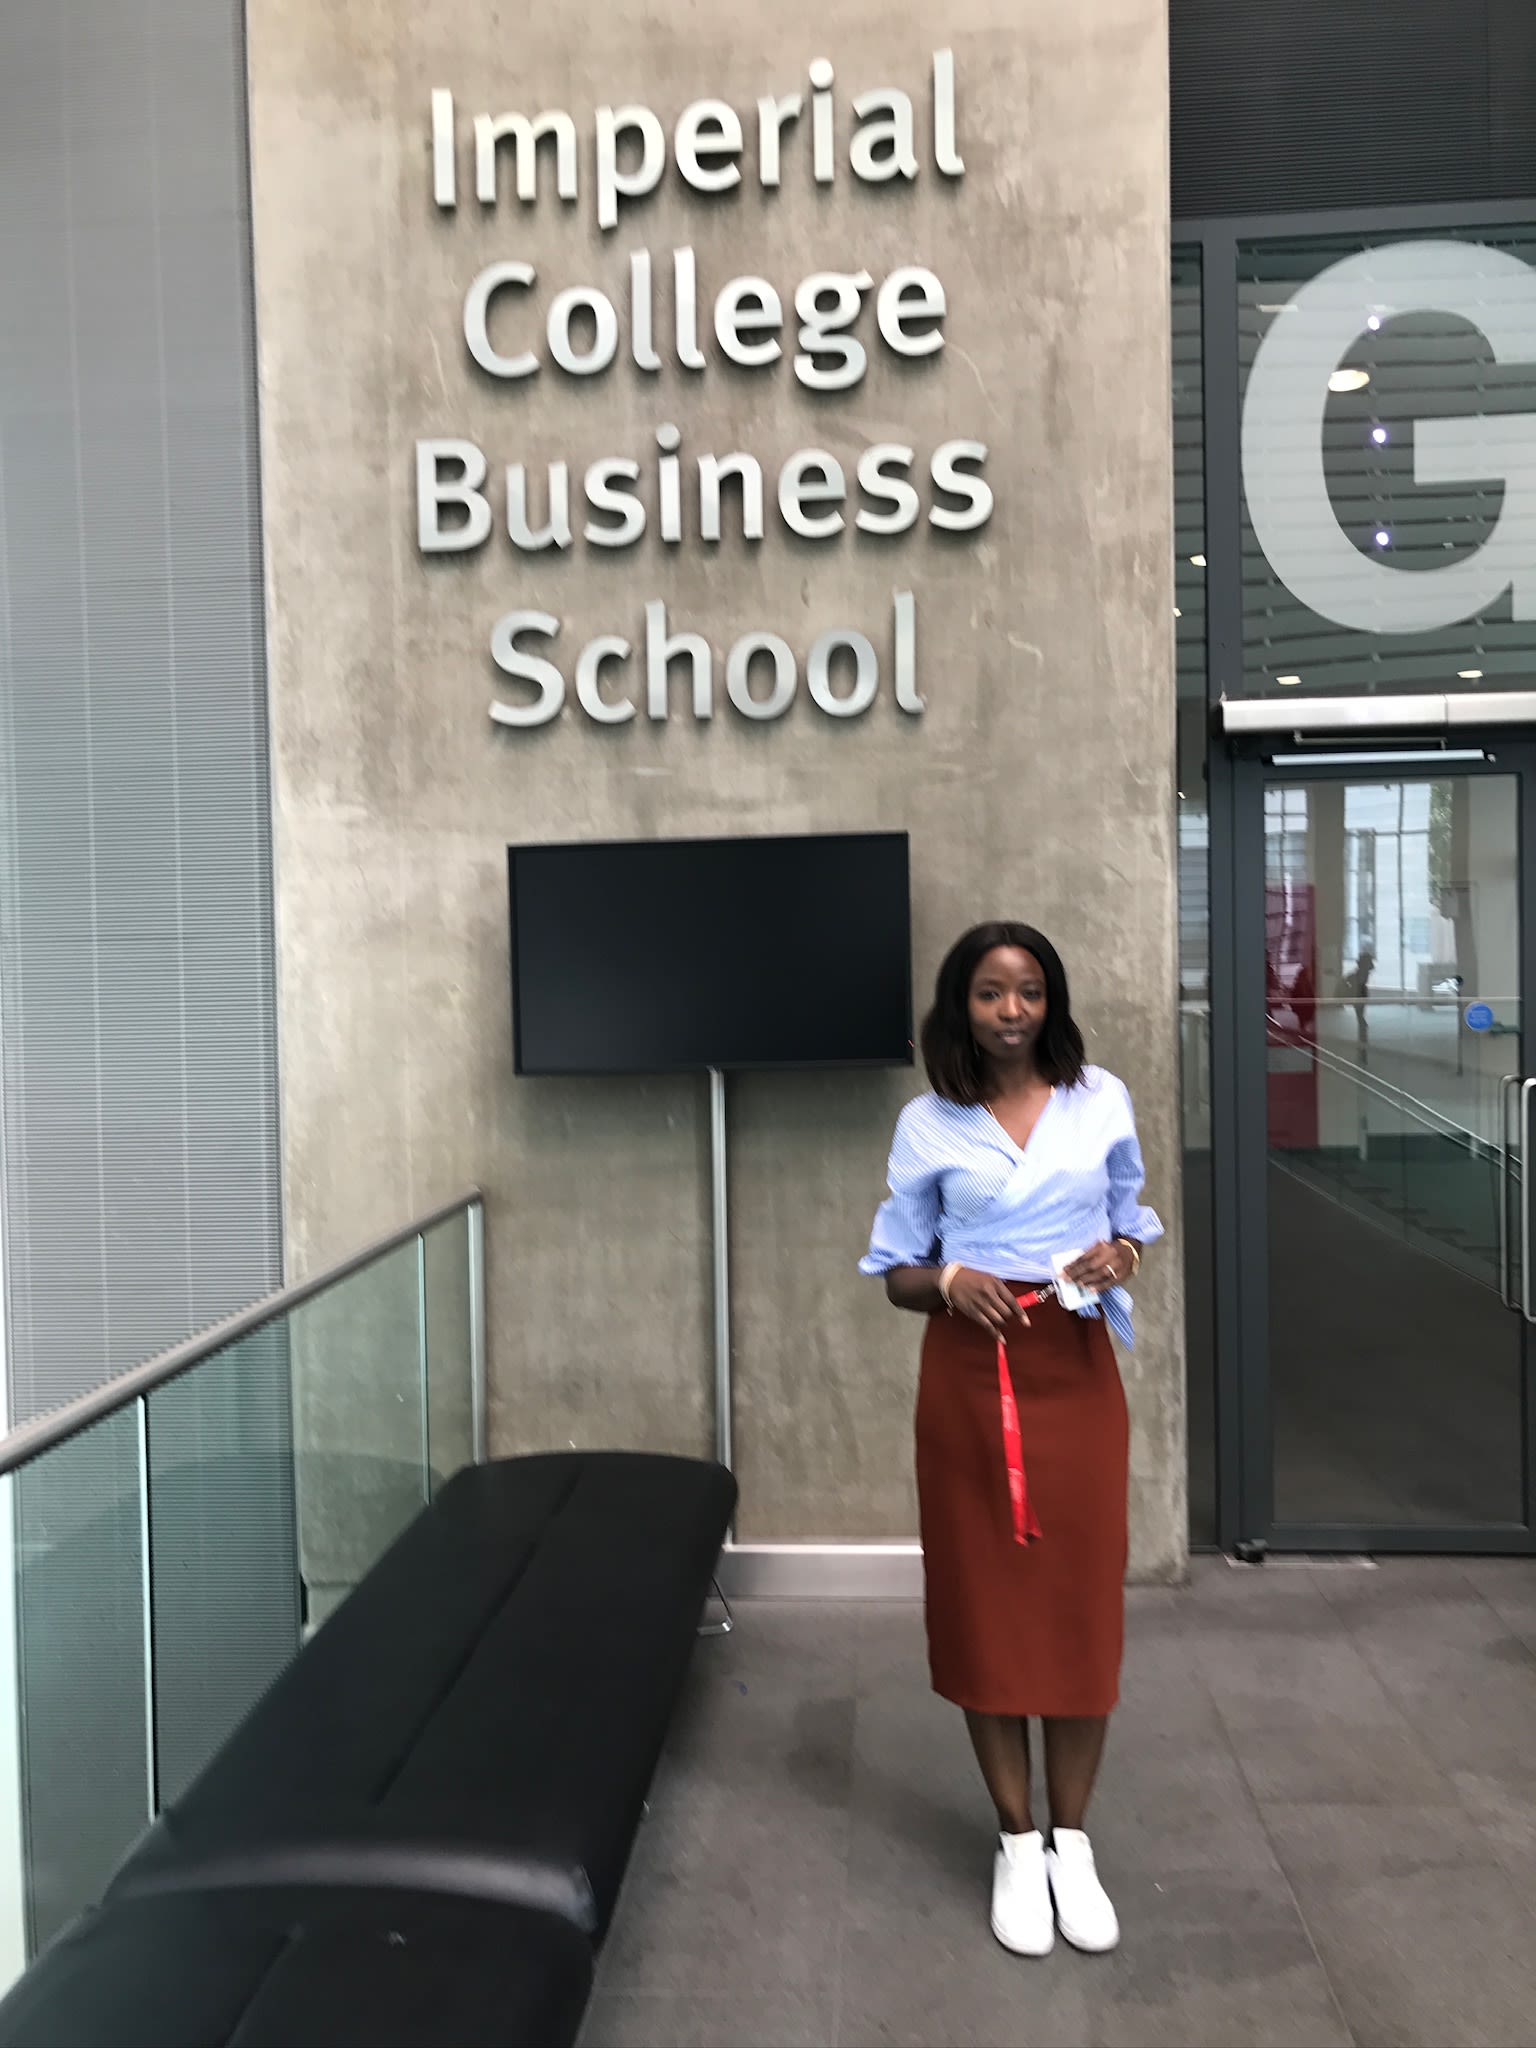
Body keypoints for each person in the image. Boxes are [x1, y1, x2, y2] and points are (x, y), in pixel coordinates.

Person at [859, 922, 1162, 1959]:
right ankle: (1015, 1837)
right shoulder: (927, 1120)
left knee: (1078, 1600)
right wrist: (947, 1279)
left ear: (1052, 999)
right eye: (991, 992)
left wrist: (1120, 1251)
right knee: (985, 1600)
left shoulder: (1101, 1098)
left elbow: (1133, 1222)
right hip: (967, 1379)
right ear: (961, 1004)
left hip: (1074, 1370)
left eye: (1029, 989)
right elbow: (895, 1267)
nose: (1012, 1009)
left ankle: (1072, 1842)